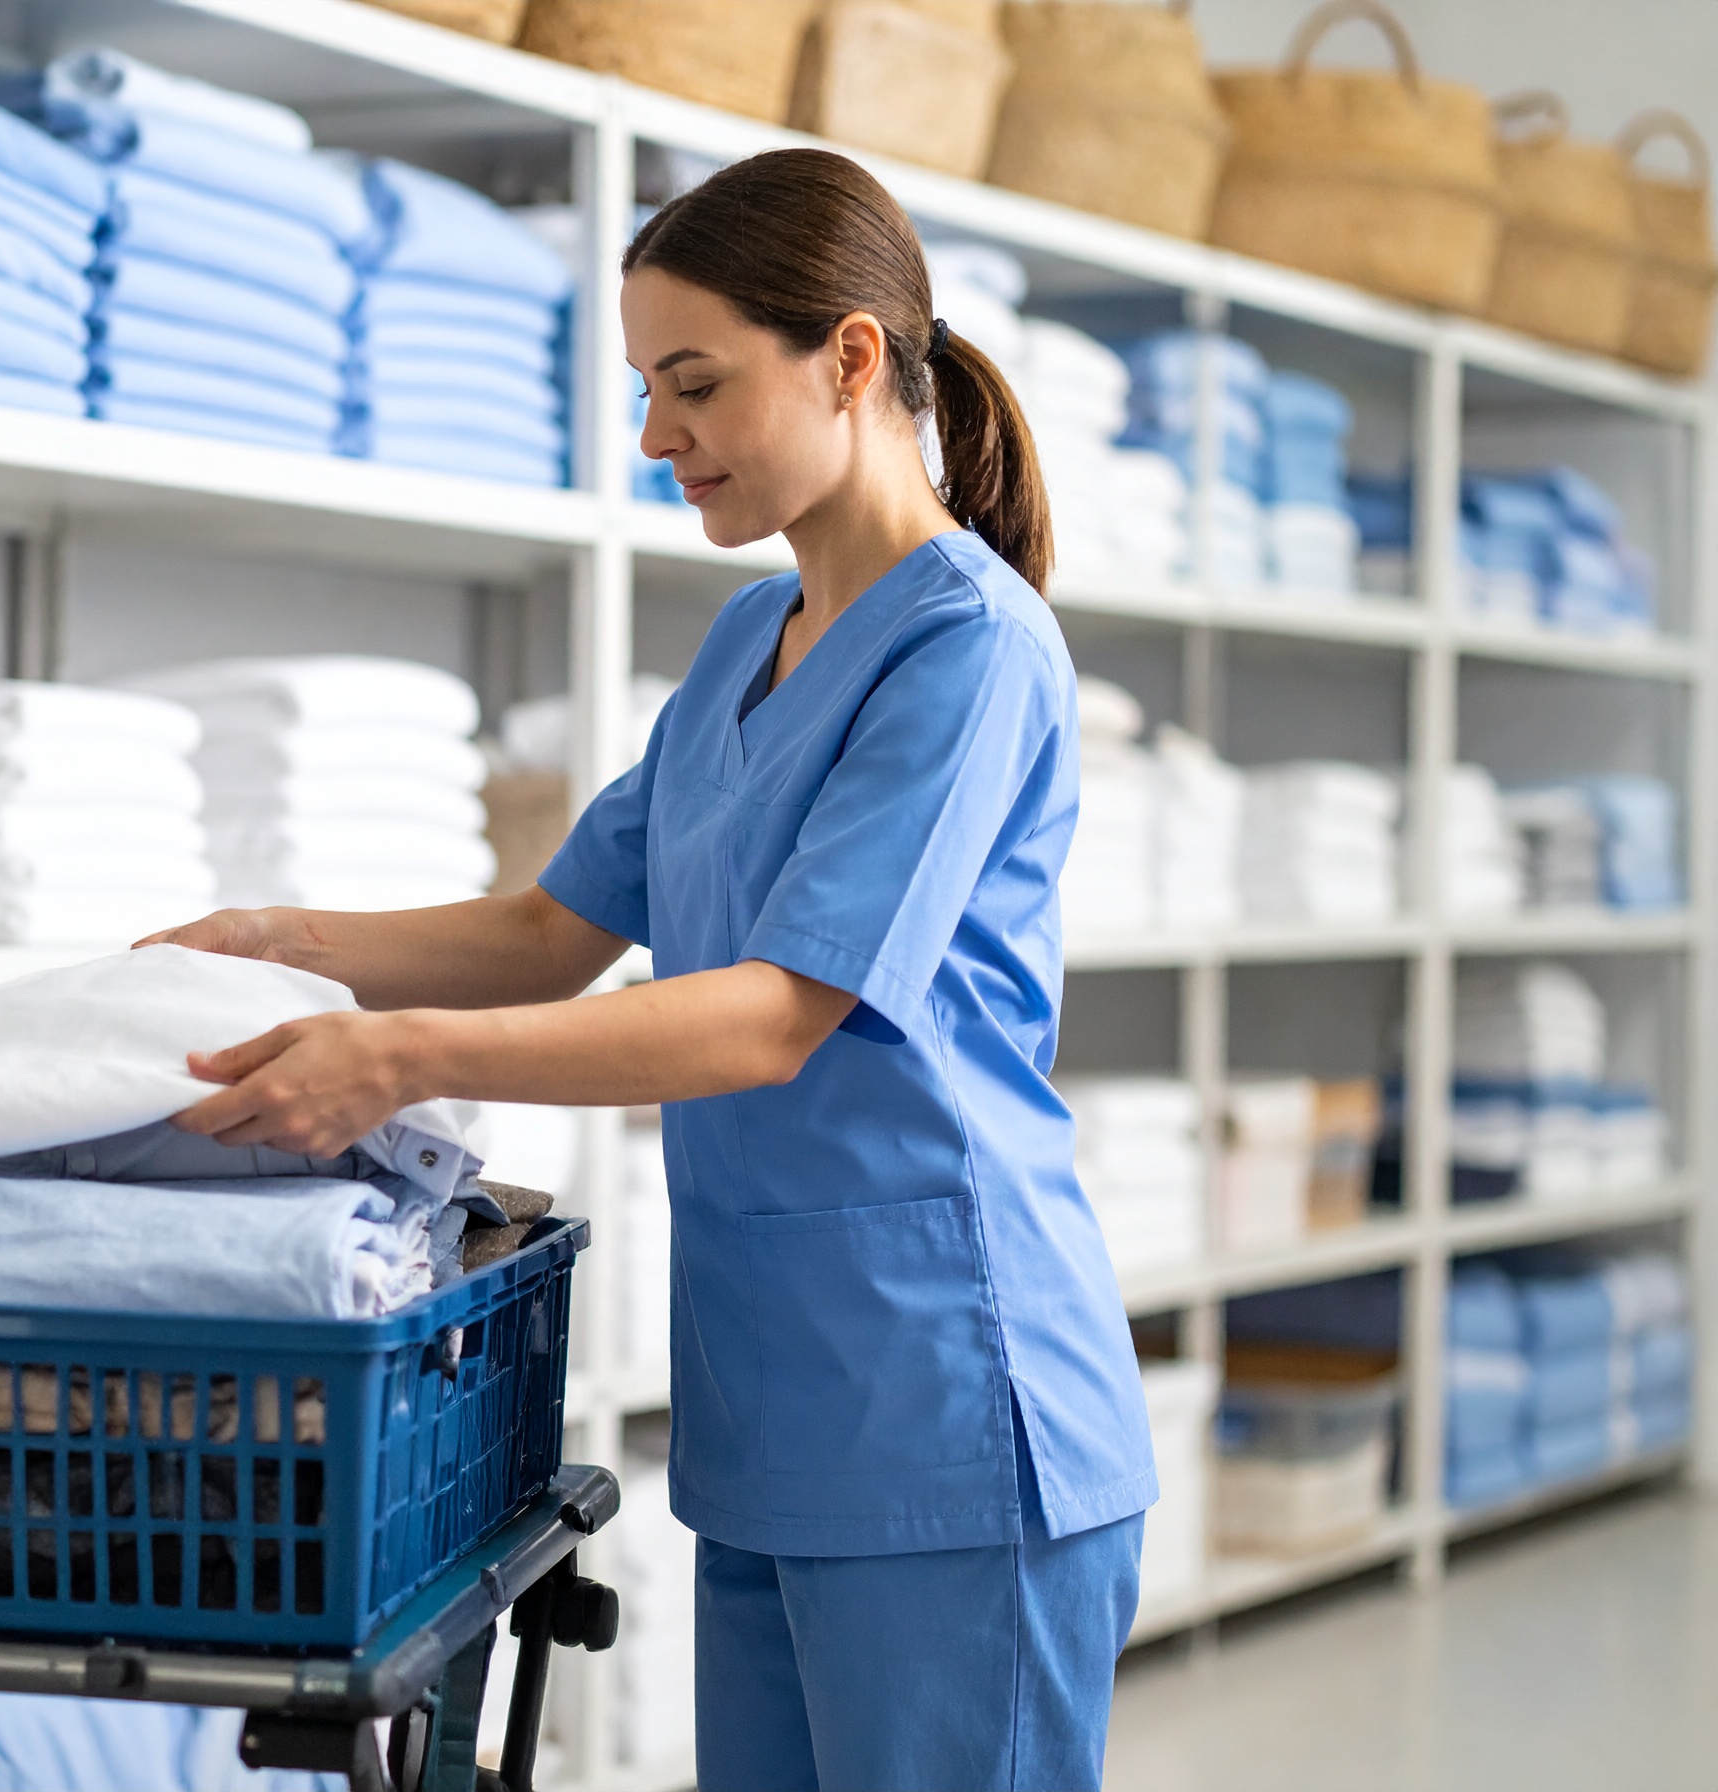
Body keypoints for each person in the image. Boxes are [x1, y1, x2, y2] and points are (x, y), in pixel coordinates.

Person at [144, 148, 1153, 1792]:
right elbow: (557, 929)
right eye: (644, 387)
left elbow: (772, 1014)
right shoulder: (743, 650)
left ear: (848, 359)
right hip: (778, 1408)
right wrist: (290, 943)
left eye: (695, 385)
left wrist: (397, 1057)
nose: (653, 438)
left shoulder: (968, 650)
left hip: (953, 1413)